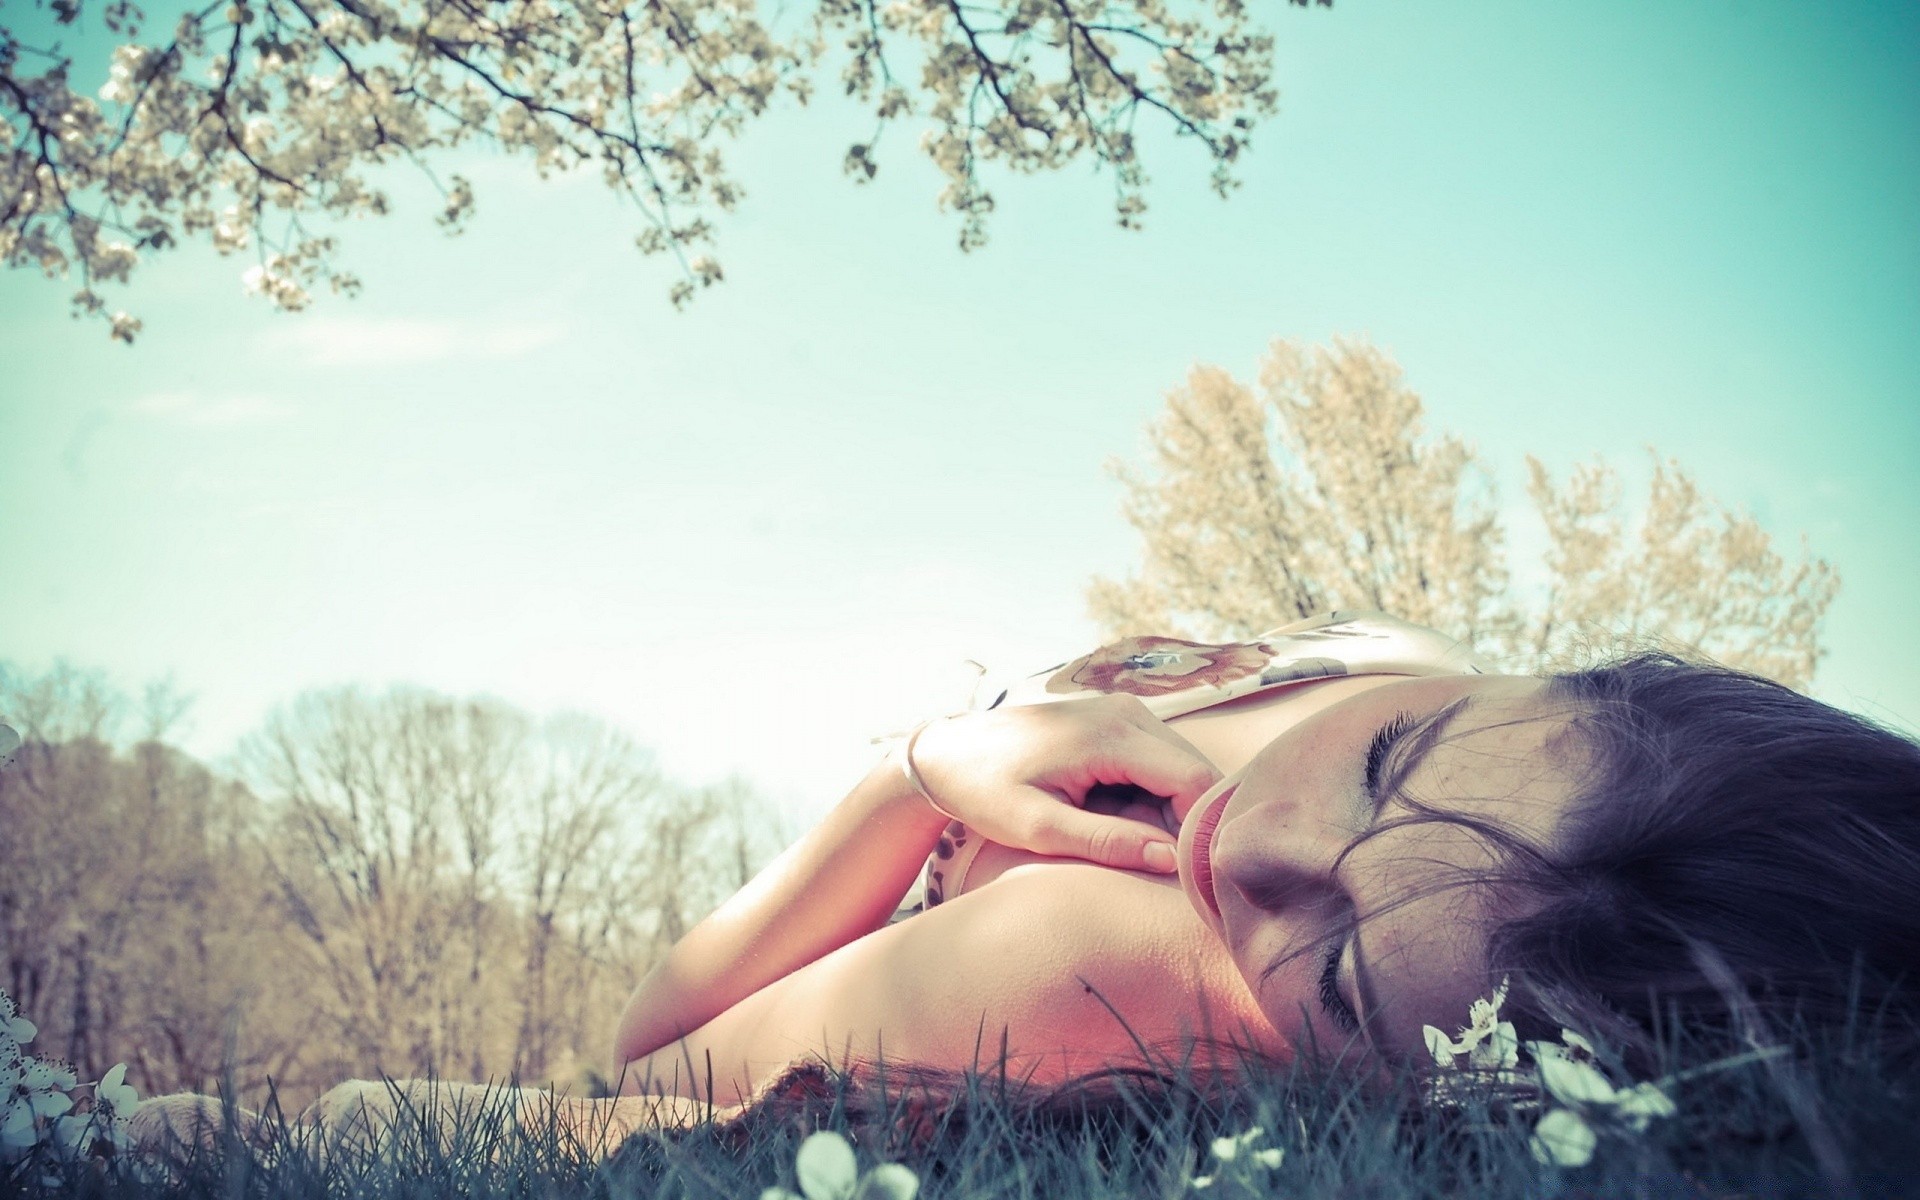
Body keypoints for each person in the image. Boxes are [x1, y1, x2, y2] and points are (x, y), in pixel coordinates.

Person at [606, 610, 1920, 1114]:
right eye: (1387, 762)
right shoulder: (1408, 662)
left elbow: (648, 1069)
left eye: (1343, 969)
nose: (1249, 847)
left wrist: (908, 782)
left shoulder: (1074, 968)